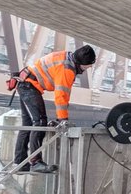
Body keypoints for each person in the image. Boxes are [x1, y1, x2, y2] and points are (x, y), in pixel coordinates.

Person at [14, 44, 96, 173]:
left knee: (28, 124)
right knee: (40, 122)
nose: (88, 68)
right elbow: (61, 96)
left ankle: (21, 163)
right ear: (81, 63)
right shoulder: (67, 70)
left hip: (25, 82)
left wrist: (61, 119)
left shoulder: (67, 57)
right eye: (88, 66)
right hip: (29, 86)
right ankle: (35, 162)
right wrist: (63, 119)